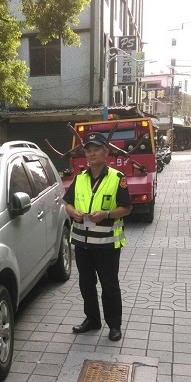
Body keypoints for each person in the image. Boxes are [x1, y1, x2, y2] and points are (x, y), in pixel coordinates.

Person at [63, 132, 132, 341]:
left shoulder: (117, 178)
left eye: (96, 149)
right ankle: (92, 320)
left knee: (109, 286)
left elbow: (127, 208)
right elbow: (67, 203)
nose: (92, 154)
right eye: (88, 150)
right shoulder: (80, 178)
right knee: (86, 284)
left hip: (107, 245)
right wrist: (72, 211)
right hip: (82, 245)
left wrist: (106, 214)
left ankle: (114, 325)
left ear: (106, 152)